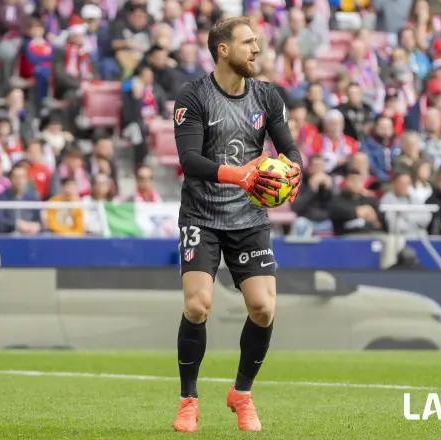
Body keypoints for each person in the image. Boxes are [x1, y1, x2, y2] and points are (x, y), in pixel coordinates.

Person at [171, 17, 302, 433]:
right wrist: (240, 175)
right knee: (198, 305)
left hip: (248, 218)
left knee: (263, 308)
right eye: (248, 42)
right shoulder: (194, 96)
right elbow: (190, 161)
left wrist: (294, 171)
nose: (257, 49)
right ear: (223, 50)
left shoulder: (267, 96)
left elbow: (289, 148)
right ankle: (188, 400)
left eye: (257, 42)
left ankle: (241, 394)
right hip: (202, 215)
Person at [0, 163, 42, 234]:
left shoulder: (33, 198)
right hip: (8, 237)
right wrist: (16, 224)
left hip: (30, 237)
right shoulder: (2, 198)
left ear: (27, 179)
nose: (19, 180)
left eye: (22, 177)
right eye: (16, 177)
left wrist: (36, 226)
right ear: (10, 179)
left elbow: (39, 222)